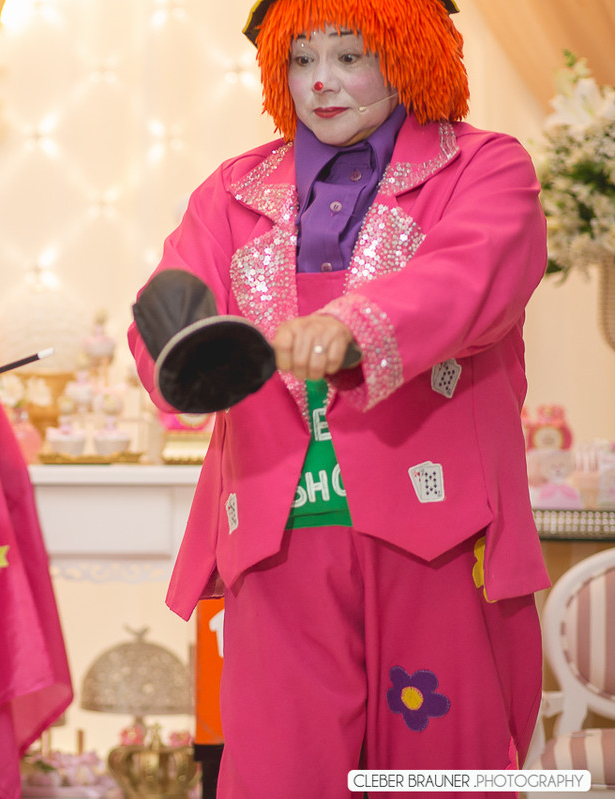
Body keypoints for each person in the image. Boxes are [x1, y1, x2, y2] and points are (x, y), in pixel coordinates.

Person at [128, 1, 549, 796]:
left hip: (436, 537)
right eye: (301, 59)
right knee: (276, 774)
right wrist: (180, 351)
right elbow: (171, 300)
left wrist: (355, 326)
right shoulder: (228, 193)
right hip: (277, 541)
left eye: (350, 56)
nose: (321, 81)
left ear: (409, 55)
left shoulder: (485, 168)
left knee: (440, 773)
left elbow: (471, 276)